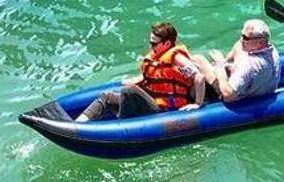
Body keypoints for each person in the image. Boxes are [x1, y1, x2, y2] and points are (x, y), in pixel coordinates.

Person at [75, 21, 205, 121]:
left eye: (154, 44)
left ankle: (123, 125)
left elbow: (199, 77)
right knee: (107, 97)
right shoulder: (157, 57)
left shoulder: (177, 58)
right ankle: (77, 126)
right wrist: (138, 79)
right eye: (150, 43)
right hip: (152, 101)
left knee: (129, 90)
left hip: (165, 110)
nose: (151, 46)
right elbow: (154, 77)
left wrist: (197, 104)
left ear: (167, 44)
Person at [195, 18, 280, 103]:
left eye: (246, 38)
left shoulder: (249, 64)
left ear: (260, 42)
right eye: (242, 35)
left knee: (199, 60)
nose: (241, 40)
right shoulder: (273, 51)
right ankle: (224, 62)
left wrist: (221, 74)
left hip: (239, 99)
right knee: (238, 46)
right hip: (256, 88)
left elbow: (228, 95)